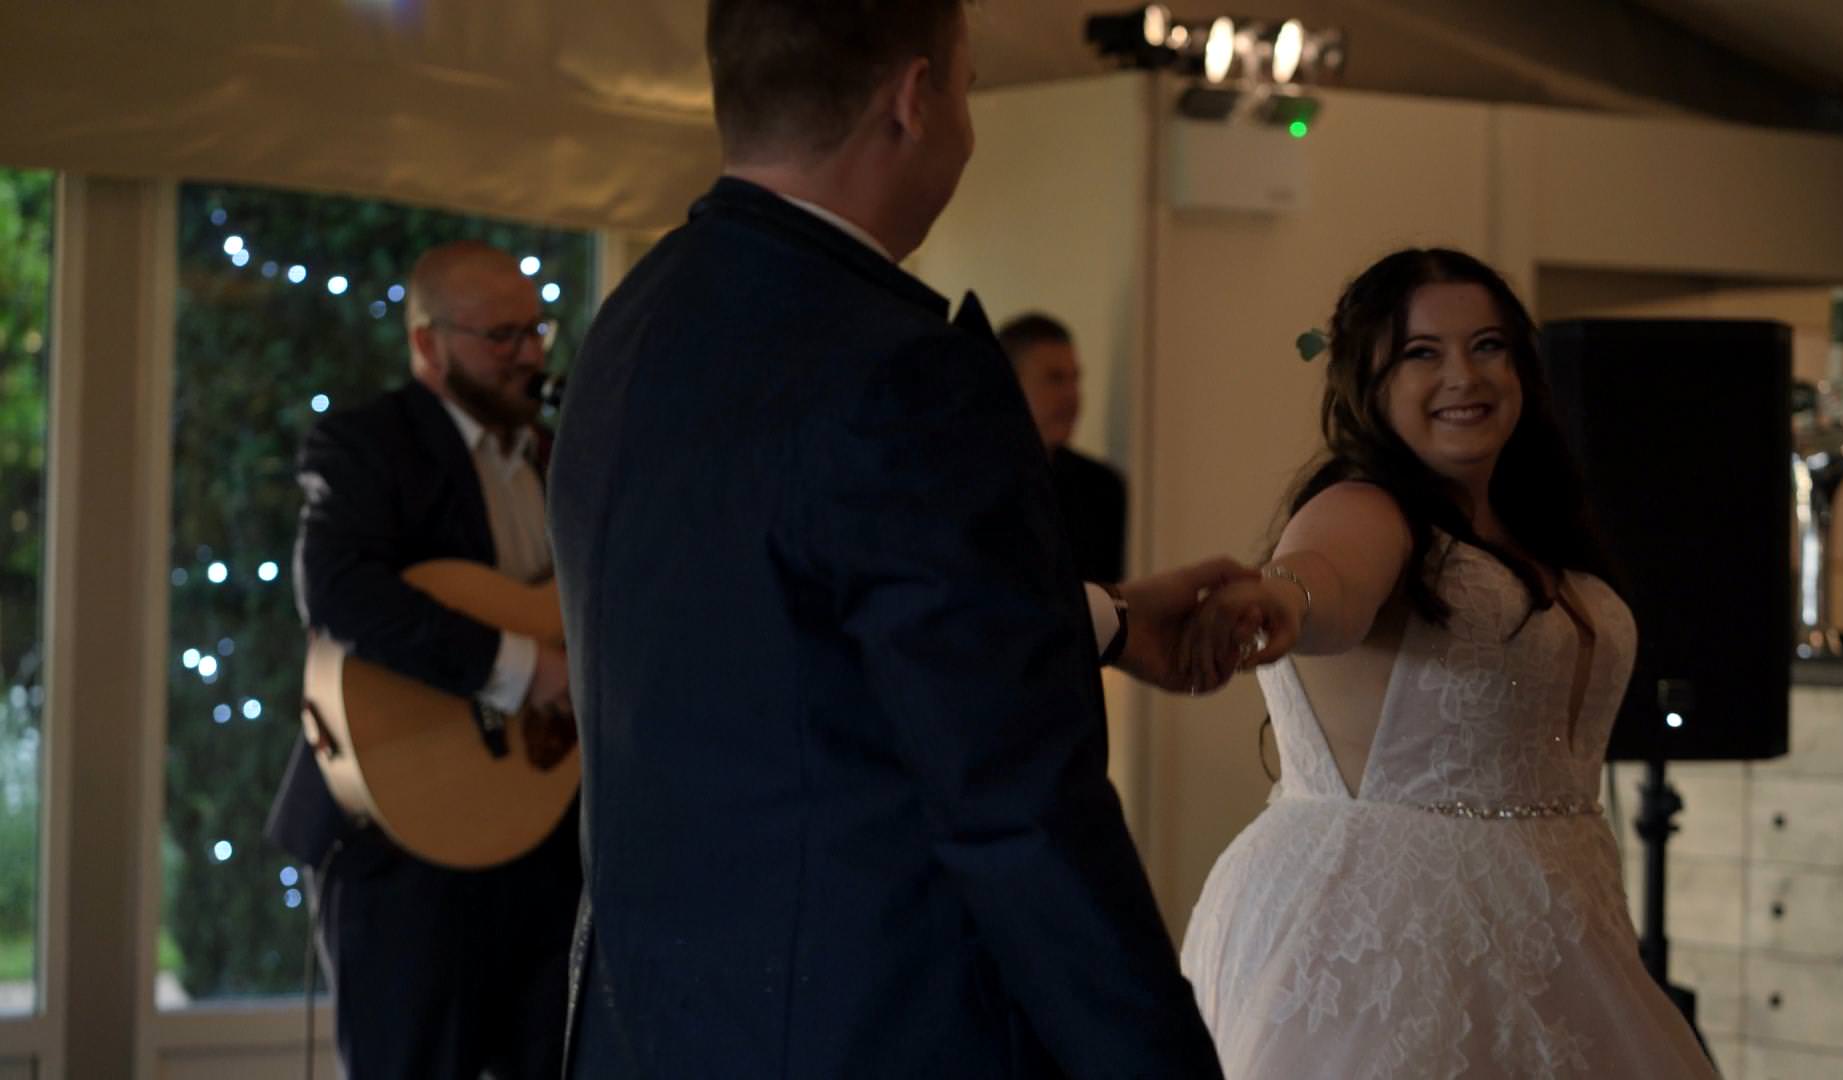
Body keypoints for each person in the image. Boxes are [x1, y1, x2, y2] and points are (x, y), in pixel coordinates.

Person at [545, 2, 1286, 1076]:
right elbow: (1014, 806)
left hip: (648, 1030)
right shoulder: (900, 367)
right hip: (857, 1029)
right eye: (971, 90)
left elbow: (771, 635)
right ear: (913, 98)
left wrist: (1105, 620)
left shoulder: (633, 319)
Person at [1178, 248, 1718, 1078]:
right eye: (1421, 353)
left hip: (1564, 928)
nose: (1463, 375)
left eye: (1488, 346)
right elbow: (1326, 581)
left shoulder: (1536, 528)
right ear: (1369, 379)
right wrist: (1279, 601)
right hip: (1393, 939)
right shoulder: (1363, 506)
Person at [264, 241, 581, 1079]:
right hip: (401, 842)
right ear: (427, 346)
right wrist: (524, 667)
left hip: (546, 843)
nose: (528, 355)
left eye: (536, 330)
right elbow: (337, 591)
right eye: (500, 336)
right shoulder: (368, 445)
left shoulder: (564, 457)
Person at [1000, 312, 1128, 584]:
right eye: (1055, 379)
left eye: (1076, 379)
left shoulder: (1103, 490)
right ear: (1007, 384)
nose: (1073, 396)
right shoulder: (971, 485)